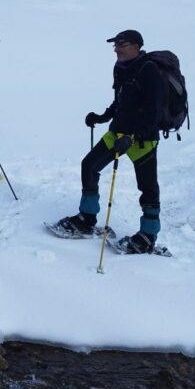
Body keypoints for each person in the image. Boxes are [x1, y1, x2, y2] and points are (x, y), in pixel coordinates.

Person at [56, 30, 163, 253]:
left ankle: (148, 235)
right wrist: (102, 117)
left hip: (143, 139)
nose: (116, 49)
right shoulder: (121, 68)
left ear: (136, 46)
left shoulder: (150, 70)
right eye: (115, 45)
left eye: (121, 45)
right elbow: (121, 101)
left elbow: (154, 113)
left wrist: (134, 136)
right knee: (89, 165)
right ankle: (87, 217)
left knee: (147, 187)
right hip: (118, 133)